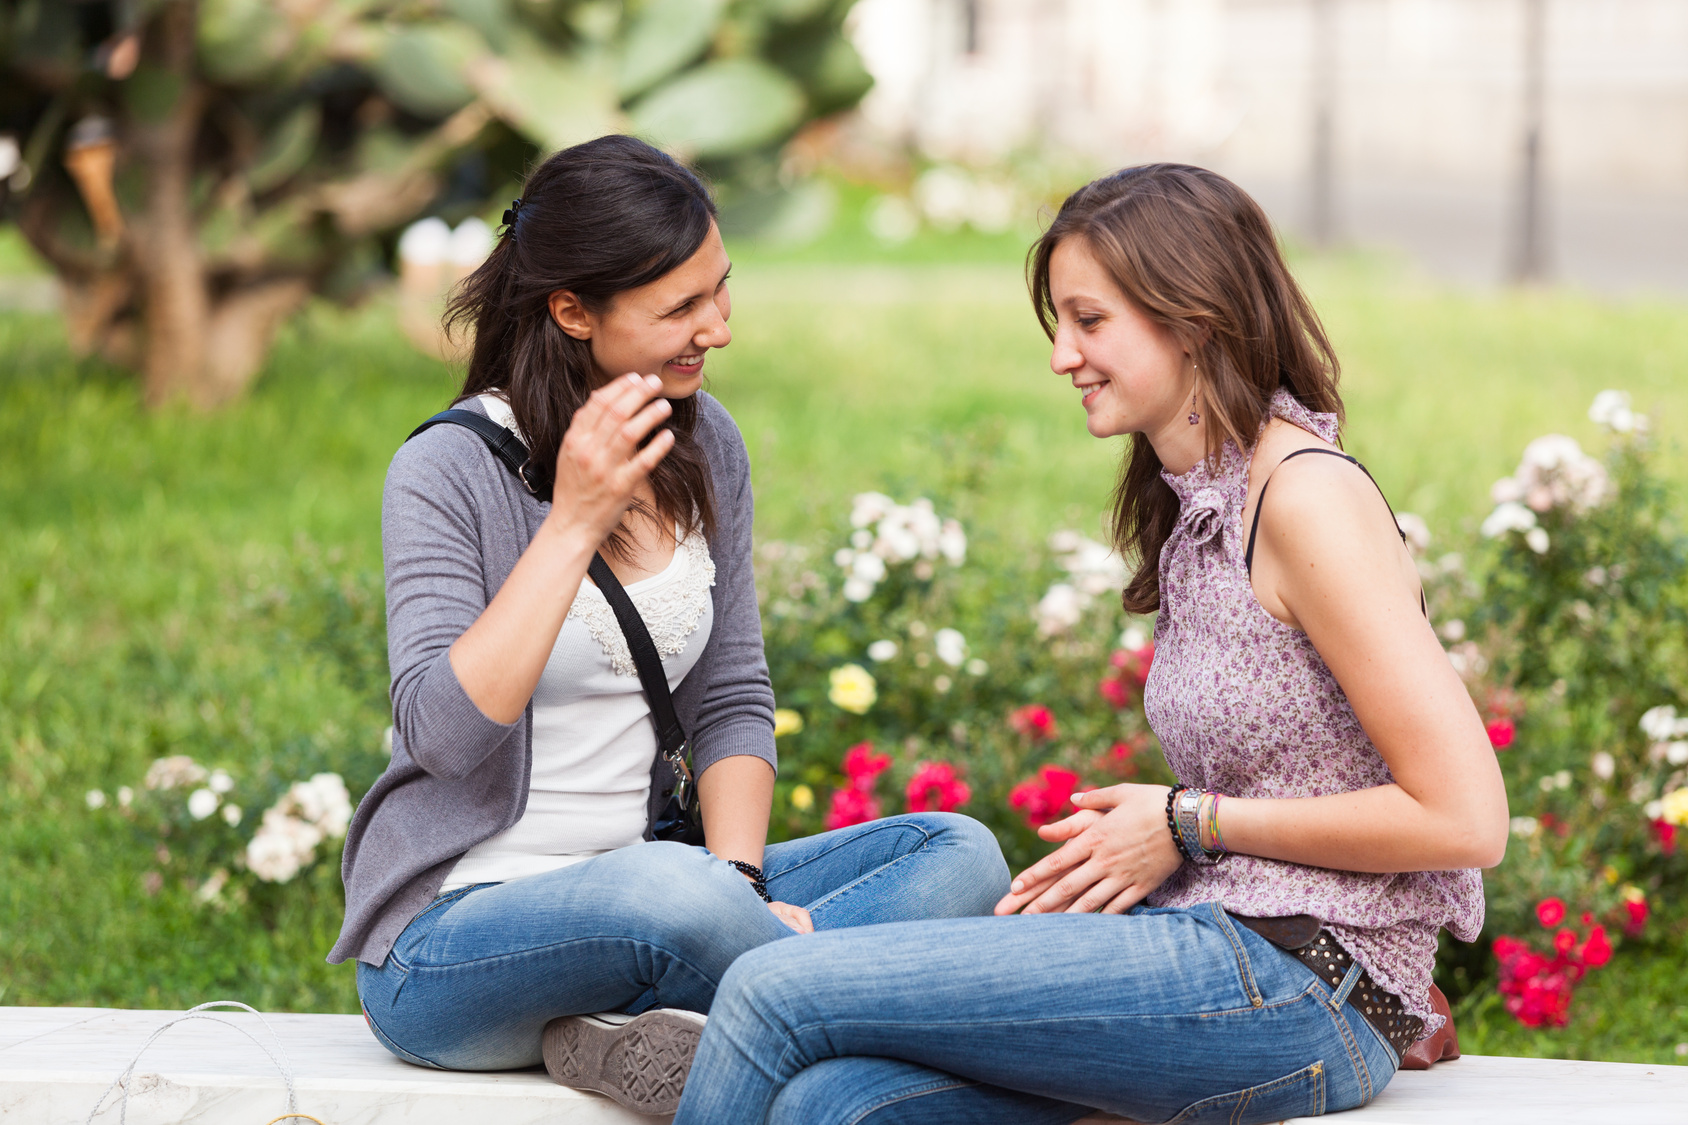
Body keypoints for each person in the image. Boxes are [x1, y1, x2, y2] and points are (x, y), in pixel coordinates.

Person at [669, 164, 1507, 1125]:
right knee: (839, 1104)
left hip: (1303, 983)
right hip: (1217, 945)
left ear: (1193, 318)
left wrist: (1191, 823)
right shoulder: (1202, 500)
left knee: (775, 988)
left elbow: (1465, 816)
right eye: (1058, 323)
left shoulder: (1306, 499)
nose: (1063, 355)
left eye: (1090, 320)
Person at [327, 135, 1008, 1117]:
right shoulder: (444, 471)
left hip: (671, 892)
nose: (717, 329)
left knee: (957, 854)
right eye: (681, 307)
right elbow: (443, 733)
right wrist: (571, 521)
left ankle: (665, 1016)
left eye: (719, 291)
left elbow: (731, 696)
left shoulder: (705, 440)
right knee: (668, 896)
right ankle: (805, 1010)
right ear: (572, 312)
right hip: (456, 943)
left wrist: (737, 885)